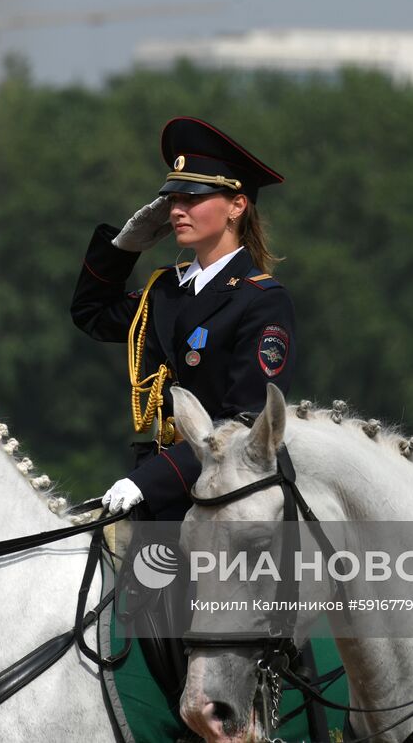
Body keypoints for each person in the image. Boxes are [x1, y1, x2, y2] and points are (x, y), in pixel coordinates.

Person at [71, 115, 295, 521]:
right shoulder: (166, 290)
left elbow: (242, 425)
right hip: (151, 488)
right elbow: (92, 314)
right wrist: (123, 247)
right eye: (174, 198)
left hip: (218, 499)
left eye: (192, 198)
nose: (177, 209)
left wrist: (149, 481)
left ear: (237, 205)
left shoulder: (260, 300)